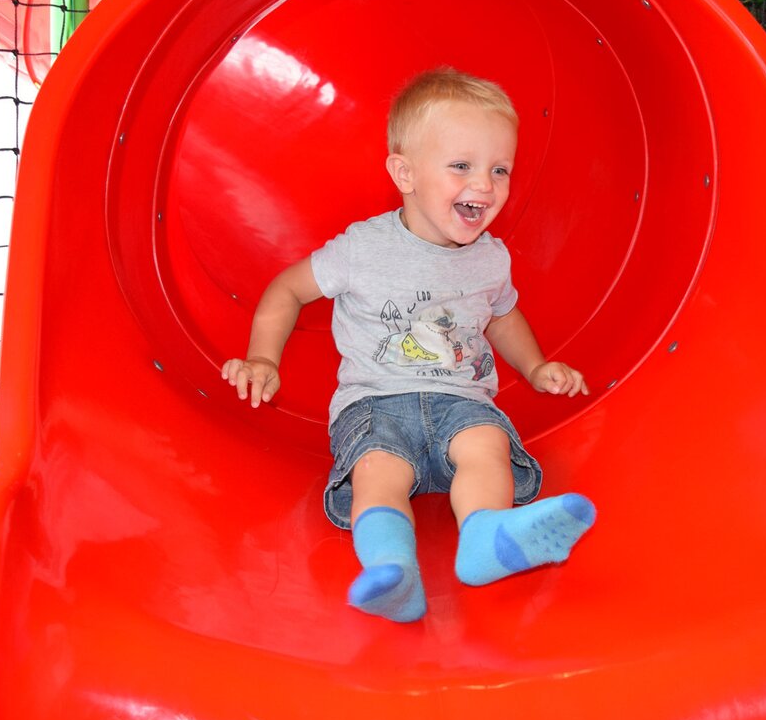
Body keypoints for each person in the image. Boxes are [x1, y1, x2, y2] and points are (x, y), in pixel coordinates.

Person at [221, 67, 596, 623]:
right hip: (375, 404)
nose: (485, 185)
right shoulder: (363, 247)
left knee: (486, 444)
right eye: (462, 166)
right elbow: (289, 290)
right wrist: (262, 357)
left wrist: (536, 366)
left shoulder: (491, 258)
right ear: (405, 173)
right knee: (378, 470)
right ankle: (391, 569)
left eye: (499, 169)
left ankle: (486, 537)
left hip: (461, 402)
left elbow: (501, 316)